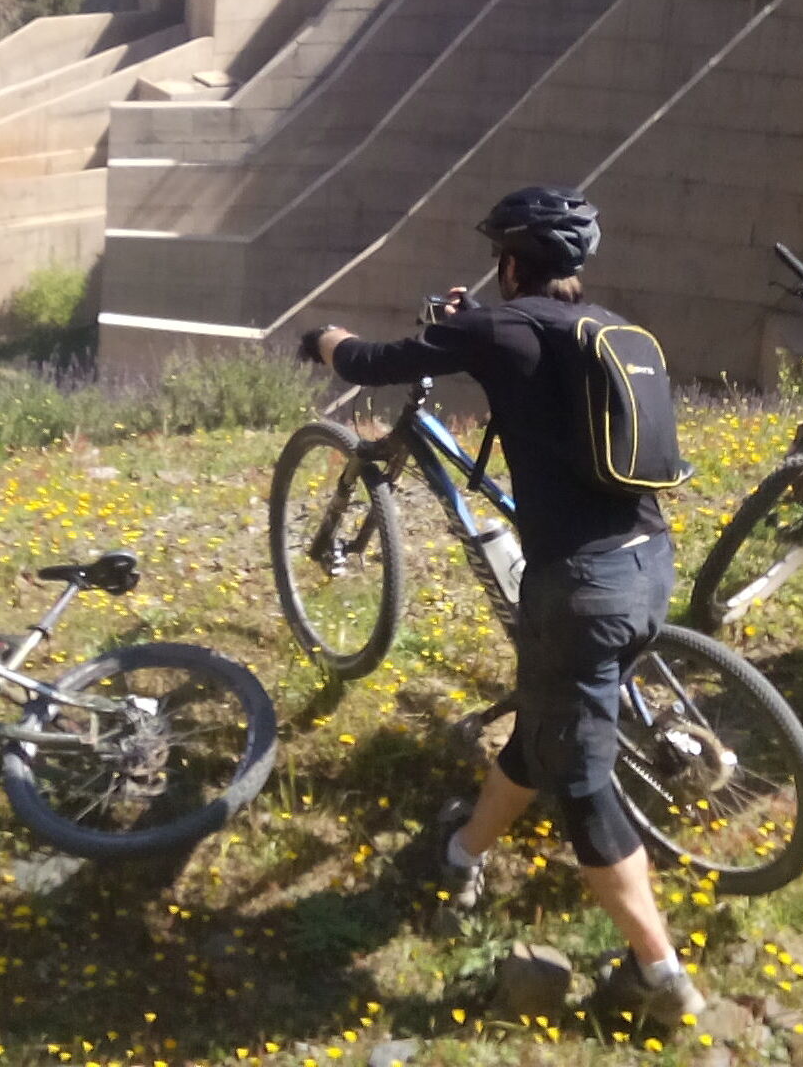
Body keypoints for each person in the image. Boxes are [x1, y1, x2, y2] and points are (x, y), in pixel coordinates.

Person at [300, 185, 703, 1030]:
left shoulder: (498, 328)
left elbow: (369, 362)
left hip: (579, 591)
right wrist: (469, 326)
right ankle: (462, 850)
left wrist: (322, 337)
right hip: (649, 562)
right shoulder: (605, 329)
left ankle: (659, 975)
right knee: (547, 722)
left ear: (511, 263)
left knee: (582, 786)